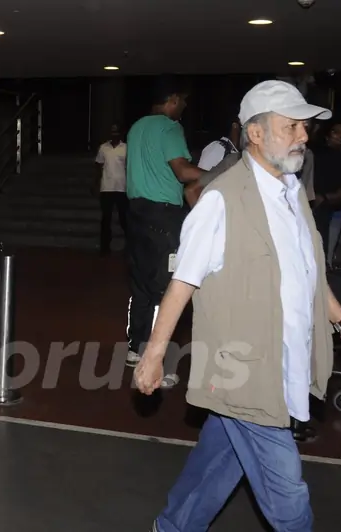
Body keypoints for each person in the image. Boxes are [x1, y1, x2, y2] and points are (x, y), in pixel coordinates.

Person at [135, 80, 341, 531]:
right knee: (288, 496)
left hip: (285, 361)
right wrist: (153, 354)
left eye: (304, 127)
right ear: (256, 133)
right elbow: (182, 282)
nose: (303, 136)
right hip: (245, 371)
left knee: (220, 458)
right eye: (291, 127)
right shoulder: (221, 201)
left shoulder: (293, 194)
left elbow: (310, 275)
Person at [124, 76, 203, 389]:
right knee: (168, 288)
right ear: (172, 100)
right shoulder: (170, 128)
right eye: (182, 100)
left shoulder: (136, 127)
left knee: (141, 284)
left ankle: (135, 348)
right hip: (164, 217)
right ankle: (161, 361)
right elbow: (183, 172)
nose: (184, 106)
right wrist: (221, 173)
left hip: (135, 213)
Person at [312, 121, 341, 267]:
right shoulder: (315, 155)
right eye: (335, 132)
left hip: (336, 212)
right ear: (326, 135)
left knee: (326, 256)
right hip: (316, 210)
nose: (340, 136)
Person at [95, 124, 128, 255]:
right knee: (106, 219)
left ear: (120, 133)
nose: (114, 134)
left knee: (124, 218)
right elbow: (98, 165)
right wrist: (96, 183)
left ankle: (130, 246)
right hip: (106, 187)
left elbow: (129, 167)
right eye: (112, 131)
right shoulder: (103, 148)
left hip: (121, 187)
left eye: (116, 132)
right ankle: (104, 247)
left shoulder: (126, 148)